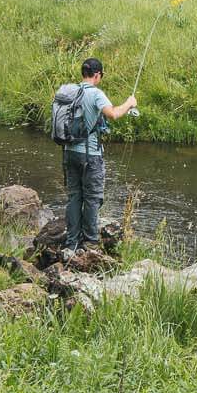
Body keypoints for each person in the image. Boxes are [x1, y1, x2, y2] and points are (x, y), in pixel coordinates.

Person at [61, 57, 135, 251]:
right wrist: (129, 103)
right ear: (97, 75)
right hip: (90, 155)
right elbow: (113, 114)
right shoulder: (95, 94)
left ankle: (72, 242)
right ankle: (91, 243)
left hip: (68, 152)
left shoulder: (71, 91)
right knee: (92, 198)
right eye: (101, 75)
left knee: (74, 197)